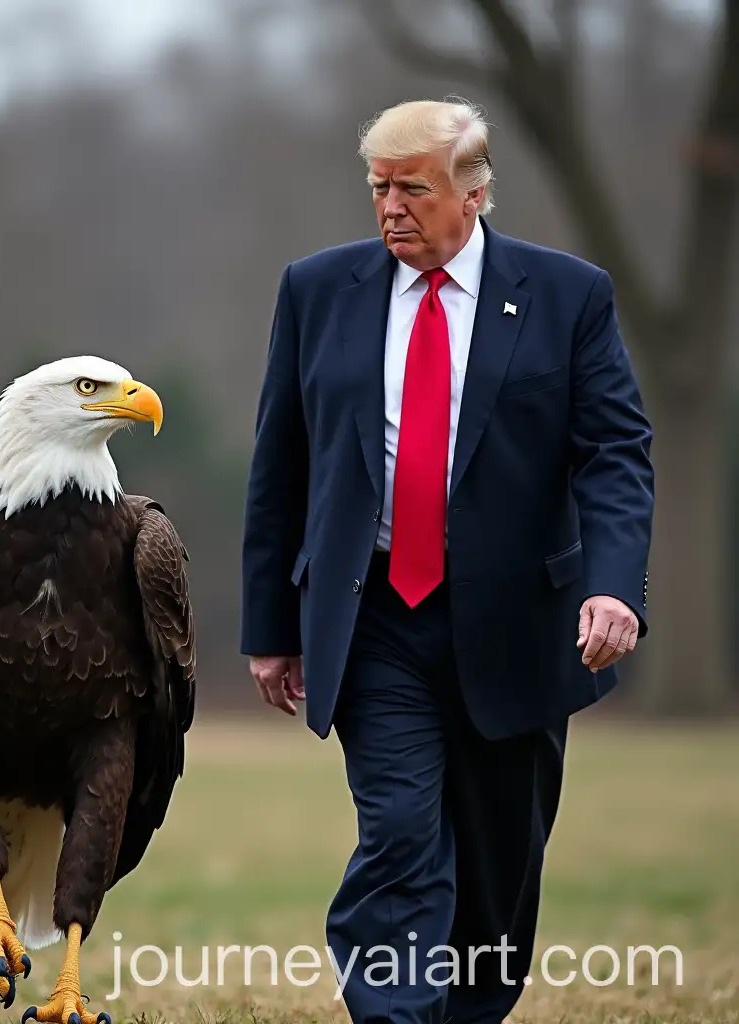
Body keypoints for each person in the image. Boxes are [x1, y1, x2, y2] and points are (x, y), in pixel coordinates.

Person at [239, 98, 654, 1024]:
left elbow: (615, 453)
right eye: (379, 188)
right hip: (375, 612)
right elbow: (282, 462)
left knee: (499, 859)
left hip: (517, 624)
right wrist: (271, 628)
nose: (391, 208)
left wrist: (614, 588)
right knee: (396, 834)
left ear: (473, 192)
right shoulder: (317, 289)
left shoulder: (567, 295)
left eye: (413, 190)